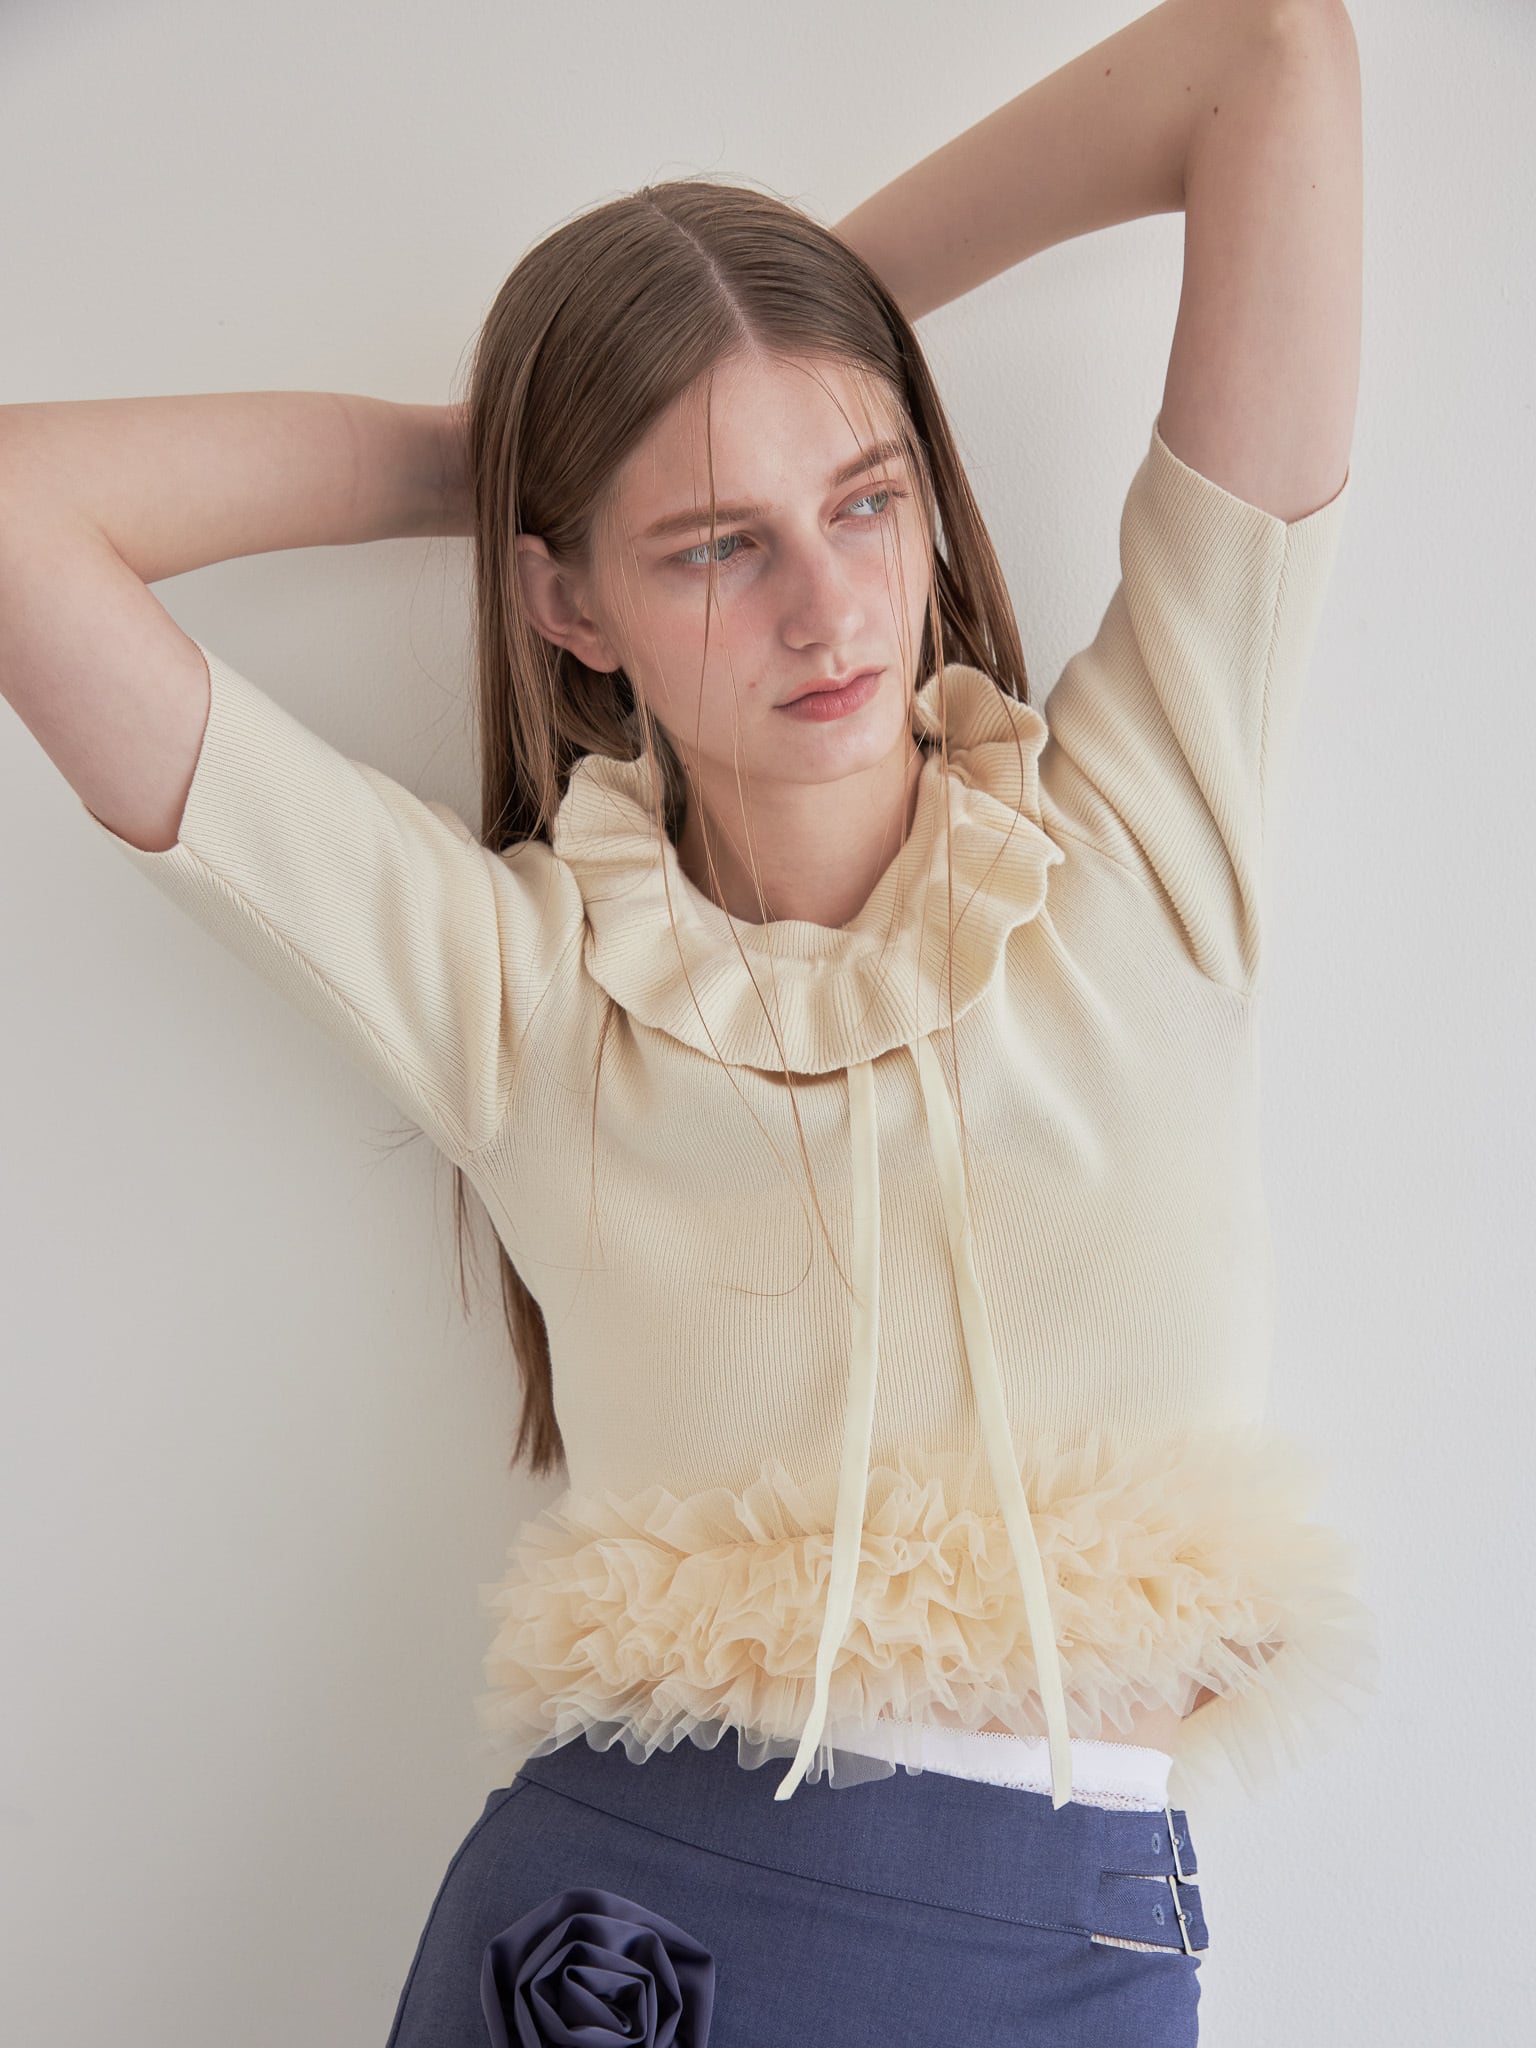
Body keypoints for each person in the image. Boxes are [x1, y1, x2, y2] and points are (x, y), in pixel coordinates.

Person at [0, 2, 1370, 2041]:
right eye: (717, 543)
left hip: (1077, 1951)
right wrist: (512, 445)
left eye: (865, 498)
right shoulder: (525, 993)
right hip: (630, 1944)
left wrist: (771, 324)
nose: (829, 605)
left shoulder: (1150, 826)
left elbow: (1265, 55)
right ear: (571, 605)